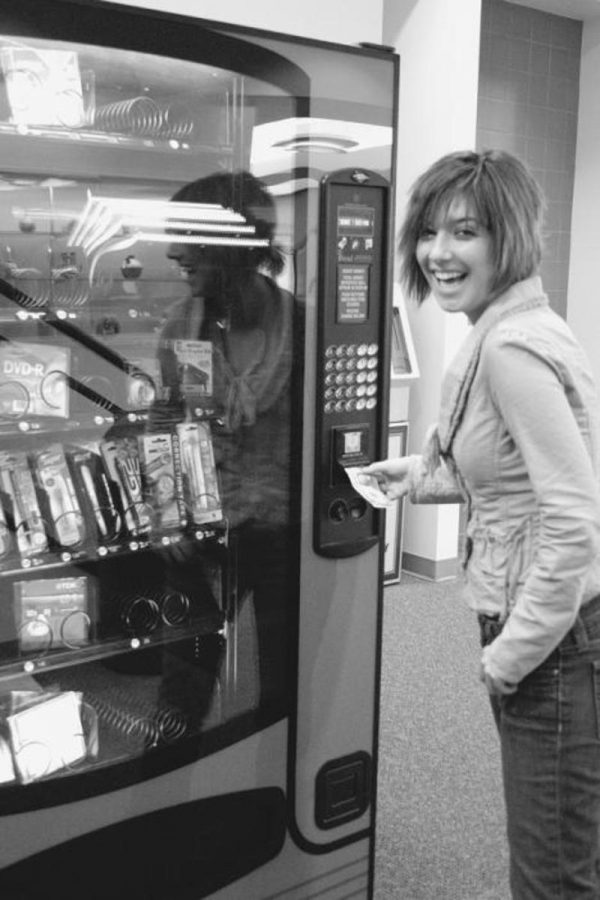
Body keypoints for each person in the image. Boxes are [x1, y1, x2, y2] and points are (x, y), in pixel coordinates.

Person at [364, 149, 600, 898]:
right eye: (430, 231)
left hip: (551, 638)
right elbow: (509, 474)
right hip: (562, 625)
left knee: (550, 873)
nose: (438, 252)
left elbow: (573, 520)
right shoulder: (516, 323)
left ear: (509, 238)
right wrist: (416, 473)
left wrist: (510, 656)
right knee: (572, 841)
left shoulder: (507, 350)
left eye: (465, 232)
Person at [155, 170, 297, 715]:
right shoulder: (177, 329)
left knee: (283, 683)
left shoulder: (304, 328)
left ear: (236, 245)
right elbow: (164, 425)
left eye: (189, 240)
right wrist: (166, 514)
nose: (174, 253)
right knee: (182, 691)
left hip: (285, 544)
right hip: (198, 542)